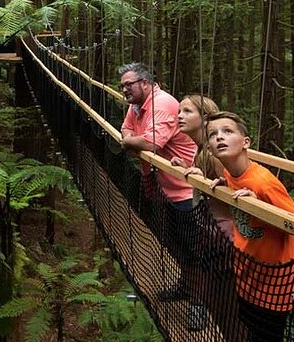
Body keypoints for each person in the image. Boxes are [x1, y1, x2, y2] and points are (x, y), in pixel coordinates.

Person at [207, 111, 294, 341]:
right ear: (209, 148)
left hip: (275, 283)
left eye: (227, 131)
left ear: (246, 142)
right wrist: (226, 187)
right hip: (247, 274)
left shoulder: (263, 183)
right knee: (251, 330)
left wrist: (260, 208)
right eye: (213, 134)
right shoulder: (229, 172)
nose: (219, 137)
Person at [119, 62, 197, 209]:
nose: (124, 90)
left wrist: (128, 142)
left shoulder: (161, 104)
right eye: (122, 86)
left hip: (182, 192)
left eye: (128, 85)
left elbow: (151, 143)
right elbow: (126, 127)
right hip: (161, 189)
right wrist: (131, 140)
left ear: (144, 83)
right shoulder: (136, 104)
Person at [172, 95, 233, 240]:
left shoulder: (214, 154)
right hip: (209, 226)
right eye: (179, 111)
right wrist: (188, 169)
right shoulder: (202, 149)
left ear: (205, 118)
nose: (180, 116)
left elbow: (232, 188)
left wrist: (202, 179)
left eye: (187, 111)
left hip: (224, 232)